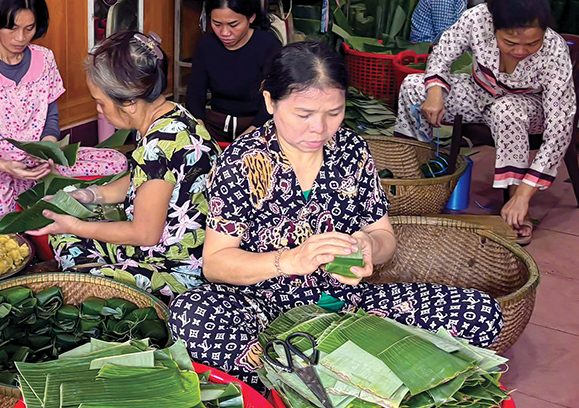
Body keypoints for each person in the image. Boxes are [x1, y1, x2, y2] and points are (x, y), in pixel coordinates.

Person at [170, 42, 503, 385]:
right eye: (303, 114)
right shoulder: (242, 162)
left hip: (351, 306)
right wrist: (289, 260)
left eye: (334, 112)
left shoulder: (351, 150)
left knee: (480, 313)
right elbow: (216, 263)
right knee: (192, 314)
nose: (319, 128)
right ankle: (351, 372)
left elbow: (384, 237)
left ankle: (312, 373)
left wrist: (370, 246)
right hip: (265, 309)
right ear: (270, 101)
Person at [30, 31, 221, 299]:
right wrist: (91, 194)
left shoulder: (155, 147)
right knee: (76, 225)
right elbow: (147, 181)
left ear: (129, 102)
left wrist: (74, 226)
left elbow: (144, 234)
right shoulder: (178, 115)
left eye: (100, 102)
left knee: (70, 246)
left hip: (176, 270)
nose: (98, 110)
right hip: (199, 252)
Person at [396, 0, 575, 244]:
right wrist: (434, 93)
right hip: (479, 93)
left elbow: (560, 126)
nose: (520, 51)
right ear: (493, 26)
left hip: (528, 107)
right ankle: (413, 177)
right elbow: (442, 55)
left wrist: (525, 194)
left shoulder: (555, 50)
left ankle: (516, 203)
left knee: (507, 109)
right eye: (510, 42)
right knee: (413, 86)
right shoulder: (477, 19)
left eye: (532, 43)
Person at [0, 0, 126, 221]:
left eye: (29, 28)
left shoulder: (45, 59)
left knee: (117, 162)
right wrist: (3, 165)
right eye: (12, 29)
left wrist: (48, 152)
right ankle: (50, 196)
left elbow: (51, 119)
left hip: (40, 163)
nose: (21, 38)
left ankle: (43, 193)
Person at [186, 0, 283, 143]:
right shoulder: (206, 45)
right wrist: (201, 132)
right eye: (217, 24)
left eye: (233, 24)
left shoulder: (268, 46)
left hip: (257, 128)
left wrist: (248, 137)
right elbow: (195, 95)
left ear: (251, 17)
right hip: (214, 126)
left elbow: (274, 99)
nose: (225, 32)